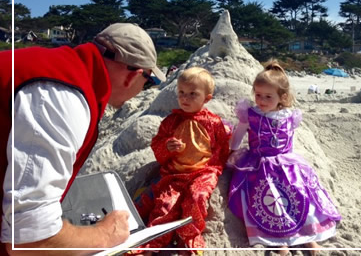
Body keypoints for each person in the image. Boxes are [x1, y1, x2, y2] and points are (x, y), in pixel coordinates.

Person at [0, 22, 166, 255]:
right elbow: (29, 241)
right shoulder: (62, 95)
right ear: (134, 76)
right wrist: (105, 234)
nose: (143, 90)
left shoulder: (54, 69)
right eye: (149, 83)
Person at [227, 60, 341, 256]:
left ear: (282, 97)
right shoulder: (250, 114)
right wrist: (232, 151)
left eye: (268, 96)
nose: (261, 100)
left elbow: (288, 141)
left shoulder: (290, 115)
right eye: (258, 95)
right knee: (272, 198)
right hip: (259, 163)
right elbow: (238, 135)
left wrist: (288, 161)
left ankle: (310, 238)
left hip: (286, 162)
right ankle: (281, 243)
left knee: (300, 194)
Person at [134, 67, 230, 252]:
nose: (185, 98)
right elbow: (157, 145)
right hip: (175, 174)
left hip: (202, 173)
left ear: (206, 98)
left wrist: (213, 169)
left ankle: (190, 239)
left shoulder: (213, 123)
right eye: (182, 93)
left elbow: (221, 149)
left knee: (196, 198)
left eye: (192, 94)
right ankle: (155, 243)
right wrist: (167, 147)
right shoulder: (171, 122)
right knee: (165, 205)